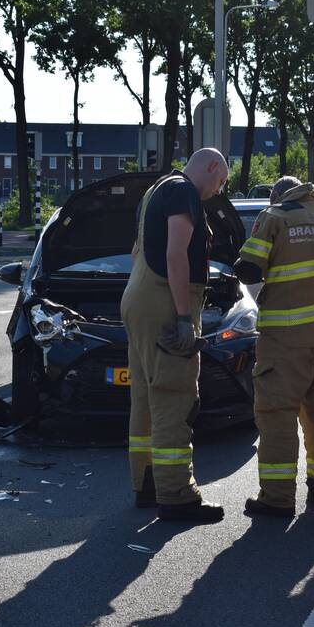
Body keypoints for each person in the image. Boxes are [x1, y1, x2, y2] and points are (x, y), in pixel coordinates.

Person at [233, 176, 314, 517]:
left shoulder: (274, 217)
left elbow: (249, 270)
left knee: (277, 418)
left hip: (283, 340)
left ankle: (277, 498)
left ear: (277, 195)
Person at [121, 148, 229, 523]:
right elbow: (175, 255)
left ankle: (147, 484)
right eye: (220, 182)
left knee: (146, 396)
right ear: (212, 166)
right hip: (164, 300)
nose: (217, 192)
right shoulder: (183, 191)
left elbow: (137, 250)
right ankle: (177, 495)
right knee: (174, 395)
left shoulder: (155, 190)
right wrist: (184, 317)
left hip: (138, 297)